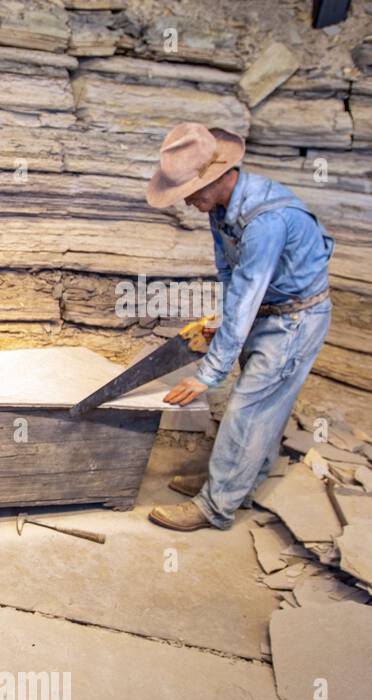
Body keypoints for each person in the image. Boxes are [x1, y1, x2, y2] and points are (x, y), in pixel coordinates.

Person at [145, 122, 334, 531]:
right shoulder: (220, 208)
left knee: (249, 409)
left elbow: (248, 295)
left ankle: (216, 506)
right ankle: (235, 484)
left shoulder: (266, 221)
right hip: (271, 310)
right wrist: (224, 321)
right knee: (263, 409)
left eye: (192, 191)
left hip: (295, 321)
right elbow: (231, 277)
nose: (188, 201)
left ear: (219, 175)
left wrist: (209, 373)